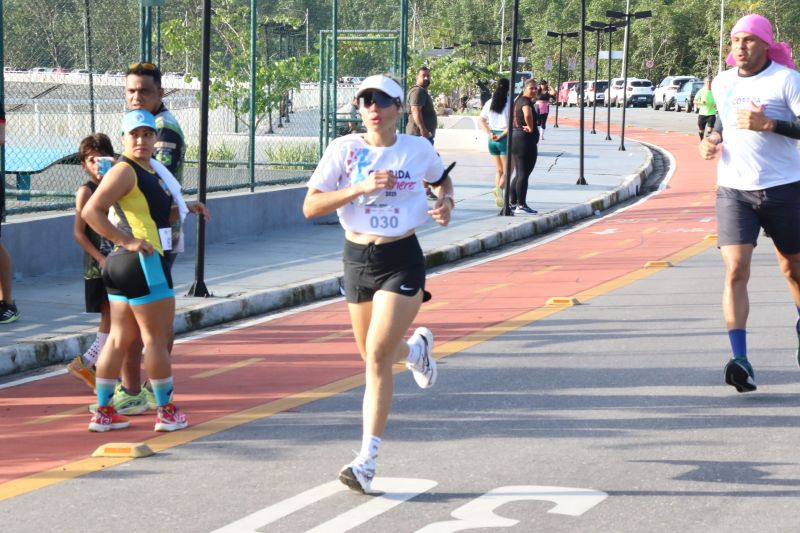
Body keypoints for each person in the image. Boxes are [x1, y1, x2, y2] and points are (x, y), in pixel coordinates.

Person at [303, 74, 454, 494]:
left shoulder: (416, 149)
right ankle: (416, 350)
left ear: (398, 109)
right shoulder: (344, 150)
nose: (373, 108)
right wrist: (359, 188)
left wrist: (446, 204)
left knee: (374, 357)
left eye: (382, 101)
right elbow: (310, 206)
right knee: (377, 355)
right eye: (365, 101)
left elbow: (442, 181)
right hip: (356, 260)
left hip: (401, 258)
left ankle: (366, 461)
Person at [698, 14, 800, 393]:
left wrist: (771, 125)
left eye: (749, 40)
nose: (740, 47)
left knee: (792, 270)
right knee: (735, 270)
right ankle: (739, 359)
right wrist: (709, 142)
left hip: (784, 187)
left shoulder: (787, 80)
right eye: (735, 40)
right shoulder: (723, 82)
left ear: (766, 43)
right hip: (733, 190)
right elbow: (718, 125)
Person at [82, 110, 200, 432]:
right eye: (134, 134)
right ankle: (166, 411)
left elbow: (149, 212)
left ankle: (104, 413)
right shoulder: (125, 170)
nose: (142, 140)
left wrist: (184, 209)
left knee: (119, 339)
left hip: (123, 264)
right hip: (142, 261)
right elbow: (91, 211)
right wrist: (128, 241)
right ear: (122, 138)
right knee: (156, 339)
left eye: (148, 134)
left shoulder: (147, 170)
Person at [101, 62, 189, 414]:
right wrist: (128, 240)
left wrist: (182, 205)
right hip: (141, 247)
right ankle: (158, 403)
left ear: (160, 93)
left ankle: (112, 404)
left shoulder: (164, 129)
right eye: (131, 91)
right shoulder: (135, 157)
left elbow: (160, 184)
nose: (136, 98)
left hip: (141, 244)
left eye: (144, 91)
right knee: (152, 333)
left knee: (126, 334)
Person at [66, 134, 116, 390]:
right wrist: (99, 258)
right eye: (91, 160)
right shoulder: (86, 192)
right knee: (111, 315)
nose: (97, 165)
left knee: (115, 318)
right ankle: (89, 362)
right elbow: (78, 233)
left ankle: (95, 365)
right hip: (99, 264)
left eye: (102, 159)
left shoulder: (117, 186)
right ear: (84, 165)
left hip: (118, 261)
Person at [406, 66, 438, 200]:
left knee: (424, 162)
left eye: (428, 76)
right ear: (417, 77)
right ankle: (418, 189)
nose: (426, 78)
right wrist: (423, 130)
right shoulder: (417, 92)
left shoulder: (423, 92)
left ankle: (424, 189)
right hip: (419, 135)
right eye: (423, 75)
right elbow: (415, 111)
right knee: (424, 162)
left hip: (423, 135)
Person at [509, 79, 540, 215]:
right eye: (531, 88)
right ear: (525, 88)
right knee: (524, 173)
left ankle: (513, 202)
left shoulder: (517, 100)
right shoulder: (525, 102)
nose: (534, 90)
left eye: (535, 88)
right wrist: (532, 127)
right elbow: (527, 113)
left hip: (516, 137)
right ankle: (521, 205)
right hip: (524, 139)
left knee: (520, 172)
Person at [478, 78, 511, 207]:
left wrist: (490, 134)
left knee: (499, 170)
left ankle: (499, 196)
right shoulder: (509, 103)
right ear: (508, 89)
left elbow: (482, 120)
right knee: (507, 171)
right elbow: (511, 125)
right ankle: (499, 190)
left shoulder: (490, 102)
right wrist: (501, 135)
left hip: (491, 139)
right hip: (504, 138)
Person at [693, 76, 717, 141]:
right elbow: (694, 101)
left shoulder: (715, 91)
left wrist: (716, 104)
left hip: (711, 113)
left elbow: (719, 100)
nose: (708, 83)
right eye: (707, 82)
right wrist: (701, 102)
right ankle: (701, 140)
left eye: (710, 82)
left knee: (709, 131)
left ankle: (707, 142)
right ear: (705, 82)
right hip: (702, 114)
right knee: (701, 131)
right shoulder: (701, 91)